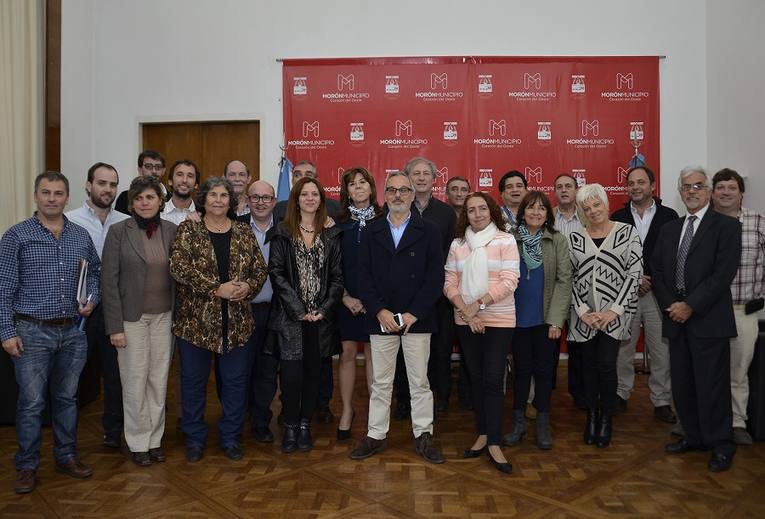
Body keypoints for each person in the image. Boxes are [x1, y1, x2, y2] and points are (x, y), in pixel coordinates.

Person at [1, 171, 100, 494]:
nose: (52, 198)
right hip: (31, 331)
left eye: (58, 193)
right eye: (46, 192)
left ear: (67, 197)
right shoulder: (17, 236)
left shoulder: (80, 236)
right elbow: (3, 288)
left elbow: (95, 273)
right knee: (30, 403)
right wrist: (6, 331)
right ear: (36, 196)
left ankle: (66, 455)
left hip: (72, 331)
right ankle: (27, 466)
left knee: (67, 398)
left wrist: (92, 298)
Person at [350, 171, 445, 464]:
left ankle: (423, 435)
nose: (398, 195)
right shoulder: (371, 230)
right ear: (385, 195)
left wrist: (413, 313)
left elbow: (434, 277)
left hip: (418, 319)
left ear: (412, 194)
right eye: (392, 190)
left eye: (404, 190)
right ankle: (376, 435)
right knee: (380, 382)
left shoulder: (429, 230)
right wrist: (380, 310)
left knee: (419, 382)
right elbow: (361, 276)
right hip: (382, 318)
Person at [170, 177, 266, 462]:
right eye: (213, 195)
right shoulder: (189, 229)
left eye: (224, 195)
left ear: (231, 202)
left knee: (236, 382)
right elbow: (178, 267)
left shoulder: (243, 231)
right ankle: (195, 439)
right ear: (204, 199)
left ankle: (230, 437)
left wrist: (249, 287)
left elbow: (259, 270)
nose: (219, 200)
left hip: (237, 323)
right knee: (193, 382)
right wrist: (216, 288)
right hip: (195, 324)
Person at [652, 165, 741, 472]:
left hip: (708, 319)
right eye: (686, 187)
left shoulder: (726, 227)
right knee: (683, 384)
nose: (692, 191)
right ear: (680, 192)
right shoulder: (670, 229)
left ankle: (720, 444)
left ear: (709, 191)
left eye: (698, 186)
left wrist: (690, 305)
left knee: (712, 385)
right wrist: (673, 305)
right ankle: (693, 436)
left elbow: (722, 275)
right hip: (676, 319)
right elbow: (659, 272)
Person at [101, 176, 177, 466]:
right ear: (131, 203)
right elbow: (109, 282)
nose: (145, 203)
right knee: (134, 381)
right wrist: (115, 327)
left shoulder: (171, 230)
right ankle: (137, 441)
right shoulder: (119, 231)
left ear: (160, 201)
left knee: (158, 381)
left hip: (164, 317)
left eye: (150, 197)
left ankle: (155, 439)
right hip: (131, 319)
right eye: (139, 198)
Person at [444, 192, 519, 473]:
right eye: (471, 210)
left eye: (482, 208)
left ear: (491, 211)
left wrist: (478, 305)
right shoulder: (458, 244)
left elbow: (510, 281)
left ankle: (495, 441)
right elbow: (449, 281)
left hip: (498, 319)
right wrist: (467, 310)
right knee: (475, 378)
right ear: (466, 214)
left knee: (492, 378)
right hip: (466, 319)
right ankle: (484, 434)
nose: (477, 214)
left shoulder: (505, 240)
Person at [267, 176, 343, 453]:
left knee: (313, 374)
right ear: (296, 200)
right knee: (290, 376)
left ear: (321, 200)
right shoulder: (282, 232)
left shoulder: (332, 234)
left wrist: (322, 310)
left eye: (315, 194)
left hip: (320, 320)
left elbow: (337, 277)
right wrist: (299, 310)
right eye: (304, 194)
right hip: (290, 318)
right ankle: (288, 425)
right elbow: (275, 272)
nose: (310, 198)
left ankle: (303, 426)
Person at [568, 183, 642, 449]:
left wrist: (613, 311)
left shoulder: (627, 232)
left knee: (607, 366)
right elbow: (569, 279)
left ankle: (606, 419)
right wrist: (583, 312)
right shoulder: (574, 238)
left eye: (596, 204)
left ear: (606, 204)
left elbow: (634, 275)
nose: (592, 211)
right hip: (583, 317)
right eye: (586, 208)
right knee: (587, 368)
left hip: (615, 316)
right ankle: (591, 416)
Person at [66, 162, 129, 449]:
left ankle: (113, 431)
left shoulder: (124, 221)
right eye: (102, 183)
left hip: (113, 308)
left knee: (115, 374)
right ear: (89, 185)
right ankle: (65, 438)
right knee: (71, 375)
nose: (107, 189)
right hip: (79, 309)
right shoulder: (71, 220)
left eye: (113, 184)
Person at [611, 166, 679, 422]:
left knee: (661, 349)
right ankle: (620, 394)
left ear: (652, 185)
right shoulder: (616, 216)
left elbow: (673, 257)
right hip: (624, 292)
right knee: (623, 347)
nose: (635, 187)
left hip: (658, 293)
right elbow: (612, 256)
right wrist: (634, 278)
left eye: (641, 182)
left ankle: (662, 401)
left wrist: (649, 279)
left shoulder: (670, 216)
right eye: (631, 183)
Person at [505, 191, 572, 450]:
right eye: (531, 208)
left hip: (546, 319)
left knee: (544, 373)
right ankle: (518, 424)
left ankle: (543, 424)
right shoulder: (510, 239)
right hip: (516, 318)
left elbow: (564, 281)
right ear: (522, 212)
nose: (536, 212)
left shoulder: (557, 240)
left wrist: (556, 320)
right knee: (521, 373)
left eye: (541, 209)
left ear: (548, 214)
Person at [394, 156, 456, 416]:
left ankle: (439, 397)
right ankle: (404, 400)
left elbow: (451, 251)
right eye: (415, 173)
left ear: (434, 179)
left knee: (439, 348)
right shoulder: (393, 209)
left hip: (436, 293)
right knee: (400, 349)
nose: (420, 178)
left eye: (425, 174)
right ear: (407, 178)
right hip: (401, 294)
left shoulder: (445, 212)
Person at [712, 168, 764, 446]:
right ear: (713, 192)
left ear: (741, 192)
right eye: (720, 187)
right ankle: (706, 420)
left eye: (731, 188)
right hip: (708, 311)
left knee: (738, 370)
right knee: (707, 369)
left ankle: (736, 421)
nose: (726, 192)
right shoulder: (704, 223)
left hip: (743, 310)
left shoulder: (757, 221)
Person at [334, 167, 383, 440]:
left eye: (363, 182)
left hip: (376, 303)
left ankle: (376, 417)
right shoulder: (337, 223)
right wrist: (345, 297)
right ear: (347, 191)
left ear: (371, 187)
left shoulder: (385, 219)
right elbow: (331, 265)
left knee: (376, 356)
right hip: (346, 300)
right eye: (352, 184)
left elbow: (389, 266)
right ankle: (347, 411)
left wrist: (372, 301)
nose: (358, 187)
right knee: (348, 354)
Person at [238, 180, 280, 444]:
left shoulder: (286, 229)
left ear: (274, 201)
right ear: (247, 200)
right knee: (238, 369)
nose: (261, 202)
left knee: (267, 369)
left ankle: (261, 421)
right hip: (242, 310)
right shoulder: (235, 227)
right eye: (255, 197)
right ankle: (238, 415)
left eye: (266, 198)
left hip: (276, 311)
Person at [552, 173, 587, 410]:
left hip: (582, 291)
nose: (564, 190)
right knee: (550, 345)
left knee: (579, 346)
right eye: (559, 187)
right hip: (553, 291)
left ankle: (580, 393)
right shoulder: (546, 217)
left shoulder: (588, 216)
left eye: (568, 186)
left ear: (576, 190)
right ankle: (547, 395)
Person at [115, 150, 166, 214]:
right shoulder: (125, 198)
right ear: (140, 169)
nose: (154, 171)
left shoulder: (172, 199)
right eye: (148, 166)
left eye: (158, 167)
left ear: (164, 171)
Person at [161, 159, 200, 224]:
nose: (184, 180)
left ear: (196, 185)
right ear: (170, 181)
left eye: (190, 176)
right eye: (179, 175)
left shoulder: (203, 214)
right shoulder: (159, 213)